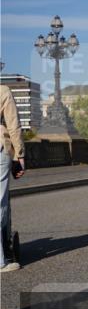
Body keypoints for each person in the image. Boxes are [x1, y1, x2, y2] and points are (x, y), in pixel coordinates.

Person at [1, 84, 26, 272]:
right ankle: (1, 261)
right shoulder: (3, 91)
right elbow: (13, 124)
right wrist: (20, 155)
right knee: (0, 203)